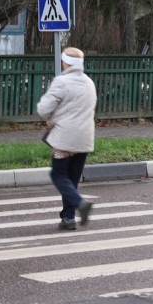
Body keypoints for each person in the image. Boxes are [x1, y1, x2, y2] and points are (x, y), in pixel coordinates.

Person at [36, 46, 97, 231]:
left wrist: (51, 118)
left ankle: (80, 203)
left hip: (65, 137)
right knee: (72, 179)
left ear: (65, 62)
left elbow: (43, 109)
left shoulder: (61, 81)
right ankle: (68, 218)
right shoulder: (89, 82)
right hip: (85, 137)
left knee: (58, 174)